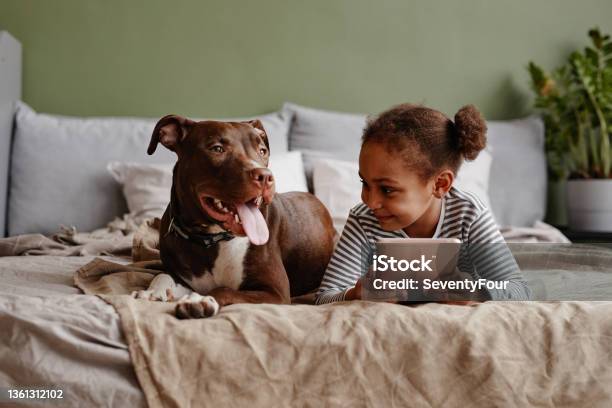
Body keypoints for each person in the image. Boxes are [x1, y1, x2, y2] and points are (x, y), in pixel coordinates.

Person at [314, 103, 530, 304]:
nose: (370, 201)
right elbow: (323, 298)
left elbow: (520, 290)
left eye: (387, 190)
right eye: (365, 183)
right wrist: (354, 294)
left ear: (440, 184)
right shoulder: (363, 221)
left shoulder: (469, 215)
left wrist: (474, 291)